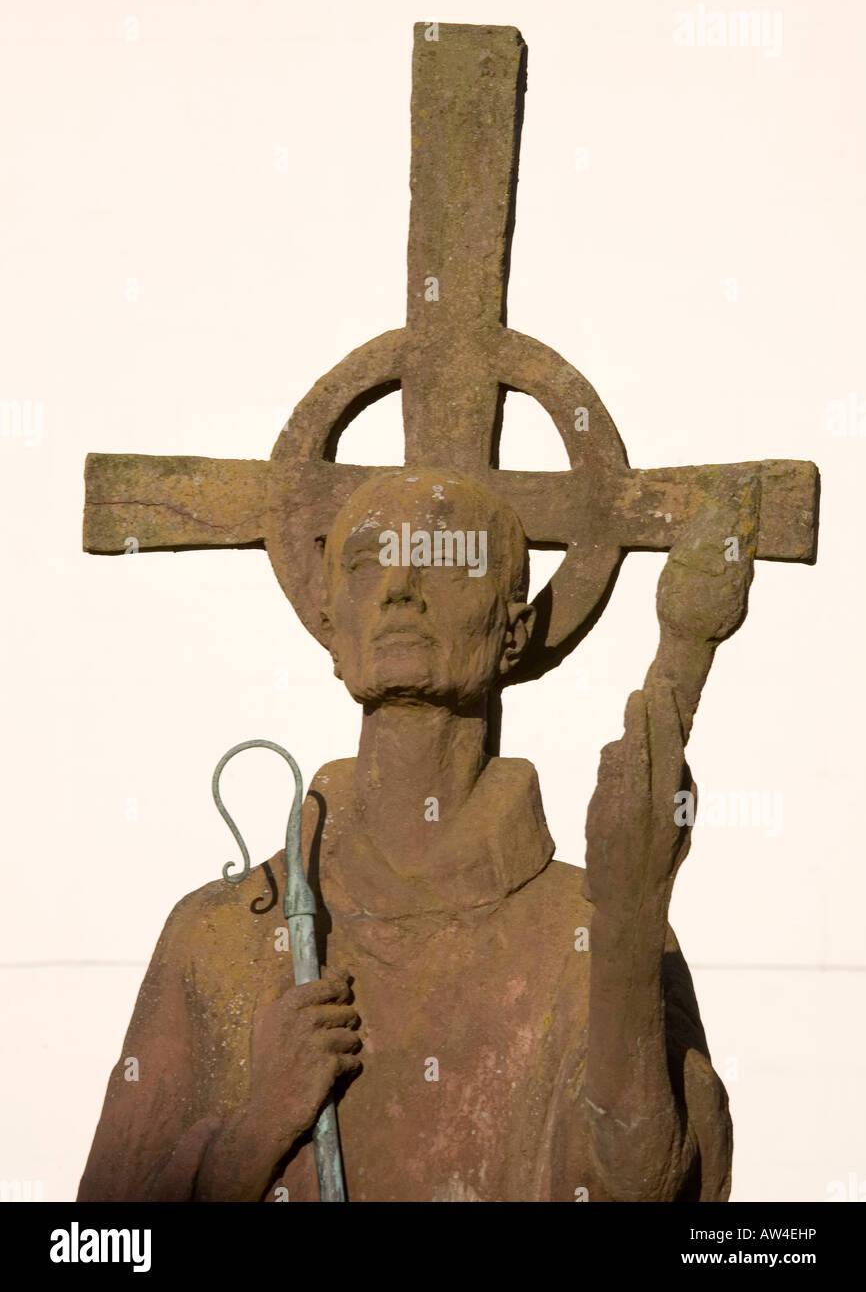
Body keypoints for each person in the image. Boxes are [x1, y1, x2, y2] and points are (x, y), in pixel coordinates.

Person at [79, 464, 759, 1201]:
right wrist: (256, 1131)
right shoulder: (220, 934)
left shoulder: (586, 927)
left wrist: (629, 920)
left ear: (514, 629)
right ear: (332, 625)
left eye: (449, 559)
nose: (403, 587)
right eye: (369, 562)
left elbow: (647, 1184)